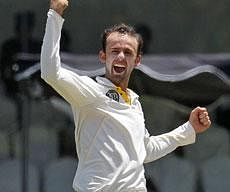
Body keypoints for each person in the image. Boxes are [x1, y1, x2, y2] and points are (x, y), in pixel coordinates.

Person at [41, 0, 211, 191]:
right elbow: (50, 72)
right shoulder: (89, 91)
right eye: (114, 51)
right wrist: (55, 14)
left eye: (128, 52)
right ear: (103, 56)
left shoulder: (134, 102)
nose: (121, 56)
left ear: (137, 60)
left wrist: (189, 129)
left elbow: (145, 150)